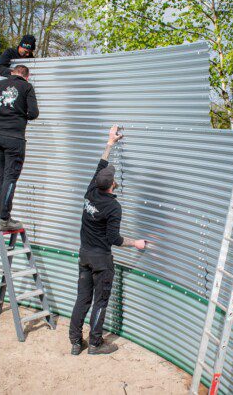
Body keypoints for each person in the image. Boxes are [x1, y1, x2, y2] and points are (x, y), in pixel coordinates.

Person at [68, 125, 147, 355]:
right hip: (101, 261)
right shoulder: (113, 207)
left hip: (84, 256)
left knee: (82, 299)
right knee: (100, 302)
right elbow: (114, 238)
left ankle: (75, 342)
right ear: (112, 185)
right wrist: (136, 243)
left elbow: (101, 165)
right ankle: (94, 344)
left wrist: (110, 143)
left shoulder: (91, 190)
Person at [0, 64, 39, 230]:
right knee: (10, 178)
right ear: (26, 76)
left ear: (12, 73)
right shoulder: (27, 87)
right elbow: (34, 113)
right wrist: (19, 118)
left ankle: (0, 216)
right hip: (14, 138)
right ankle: (4, 220)